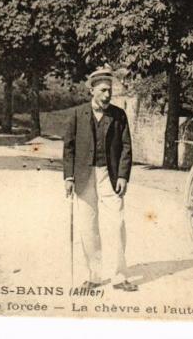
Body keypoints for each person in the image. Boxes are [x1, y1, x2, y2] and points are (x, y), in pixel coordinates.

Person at [63, 67, 137, 291]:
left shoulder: (118, 115)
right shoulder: (77, 115)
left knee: (117, 223)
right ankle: (93, 276)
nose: (107, 95)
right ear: (92, 90)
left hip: (110, 176)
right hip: (84, 176)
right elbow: (69, 148)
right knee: (88, 227)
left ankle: (119, 277)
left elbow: (126, 148)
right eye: (103, 90)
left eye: (110, 91)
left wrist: (123, 175)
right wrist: (68, 177)